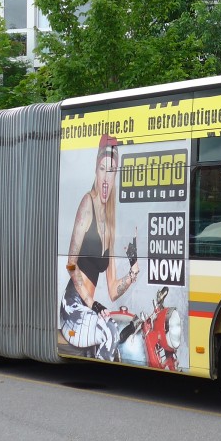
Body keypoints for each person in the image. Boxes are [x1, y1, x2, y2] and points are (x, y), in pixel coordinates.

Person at [59, 133, 139, 359]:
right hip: (73, 307)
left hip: (90, 311)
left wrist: (133, 272)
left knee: (117, 331)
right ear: (96, 170)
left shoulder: (110, 223)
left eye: (111, 171)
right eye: (103, 169)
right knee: (110, 331)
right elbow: (71, 263)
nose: (106, 177)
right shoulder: (87, 204)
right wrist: (91, 303)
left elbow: (113, 291)